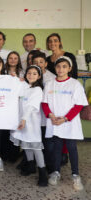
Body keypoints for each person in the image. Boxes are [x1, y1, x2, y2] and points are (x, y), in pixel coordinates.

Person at [42, 56, 88, 191]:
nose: (60, 69)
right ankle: (56, 172)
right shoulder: (50, 84)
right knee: (57, 147)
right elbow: (44, 103)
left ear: (69, 68)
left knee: (71, 147)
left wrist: (65, 118)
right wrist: (51, 116)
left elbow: (79, 105)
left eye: (64, 66)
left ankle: (75, 174)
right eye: (58, 66)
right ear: (55, 68)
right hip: (54, 121)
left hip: (69, 122)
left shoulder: (75, 84)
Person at [10, 65, 48, 187]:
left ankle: (43, 173)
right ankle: (31, 166)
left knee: (36, 147)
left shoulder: (37, 90)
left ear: (39, 76)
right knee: (25, 144)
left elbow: (32, 106)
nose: (31, 75)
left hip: (31, 122)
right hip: (22, 121)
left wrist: (24, 119)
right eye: (29, 73)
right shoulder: (25, 87)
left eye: (34, 74)